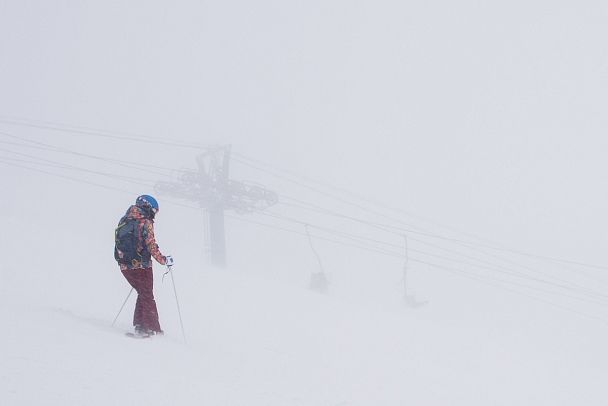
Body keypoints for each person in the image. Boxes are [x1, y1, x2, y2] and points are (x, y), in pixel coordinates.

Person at [115, 195, 173, 337]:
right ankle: (152, 329)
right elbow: (150, 245)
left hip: (125, 265)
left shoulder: (126, 219)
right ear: (149, 208)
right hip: (142, 265)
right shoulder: (145, 222)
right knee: (147, 296)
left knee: (142, 293)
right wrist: (164, 260)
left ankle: (140, 326)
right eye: (155, 211)